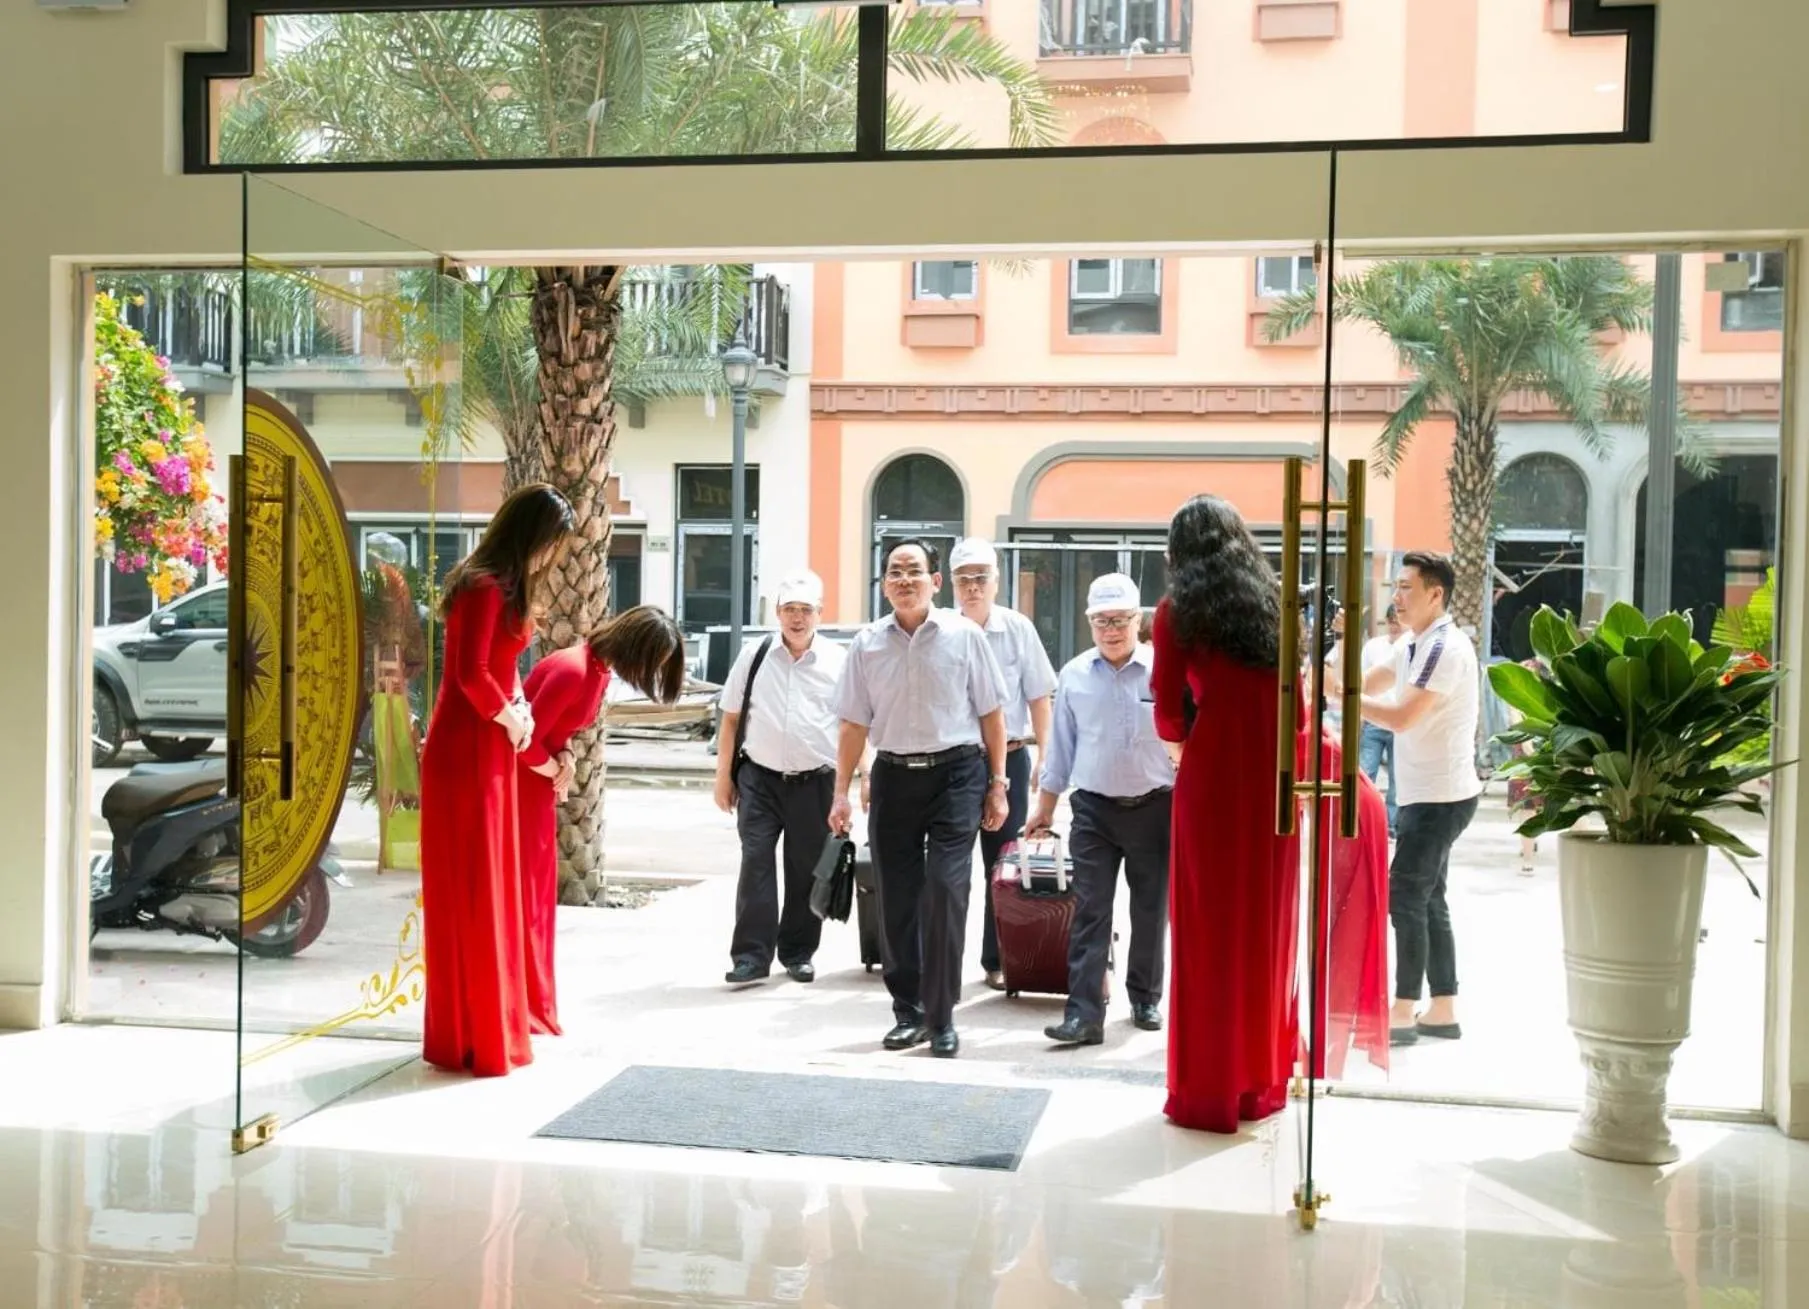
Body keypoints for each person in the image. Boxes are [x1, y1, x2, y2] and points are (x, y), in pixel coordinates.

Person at [1151, 494, 1299, 1133]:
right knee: (1263, 925)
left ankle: (1207, 1088)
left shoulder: (1176, 612)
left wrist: (1189, 749)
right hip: (1276, 774)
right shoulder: (1277, 609)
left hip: (1214, 776)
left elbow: (1165, 707)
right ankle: (1257, 1083)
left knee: (1209, 934)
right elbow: (1300, 697)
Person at [829, 538, 1009, 1059]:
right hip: (893, 777)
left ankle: (942, 1014)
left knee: (946, 890)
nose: (904, 580)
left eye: (915, 571)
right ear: (884, 584)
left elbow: (992, 714)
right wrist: (841, 790)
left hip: (957, 774)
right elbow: (852, 724)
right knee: (898, 897)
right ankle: (907, 1010)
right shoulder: (866, 644)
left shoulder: (964, 636)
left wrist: (998, 782)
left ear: (935, 581)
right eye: (894, 572)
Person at [419, 483, 575, 1077]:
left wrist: (516, 713)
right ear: (530, 535)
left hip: (490, 743)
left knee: (490, 885)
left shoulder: (499, 586)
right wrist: (512, 716)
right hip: (468, 749)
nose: (551, 555)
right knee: (476, 886)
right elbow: (468, 673)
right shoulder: (483, 585)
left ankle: (485, 1027)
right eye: (550, 542)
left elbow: (495, 672)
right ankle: (476, 1033)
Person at [520, 605, 687, 1035]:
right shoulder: (576, 670)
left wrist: (566, 757)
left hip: (538, 789)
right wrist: (556, 767)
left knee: (535, 900)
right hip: (522, 792)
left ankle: (529, 1004)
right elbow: (522, 739)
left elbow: (552, 734)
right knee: (526, 900)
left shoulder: (593, 669)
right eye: (653, 663)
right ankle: (520, 1006)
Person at [1025, 572, 1173, 1046]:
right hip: (1093, 811)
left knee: (1150, 908)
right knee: (1090, 910)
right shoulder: (1073, 676)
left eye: (1121, 620)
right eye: (1102, 621)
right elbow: (1060, 751)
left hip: (1155, 807)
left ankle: (1145, 996)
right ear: (1090, 622)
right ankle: (1084, 1014)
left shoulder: (1162, 671)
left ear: (1138, 620)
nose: (1111, 630)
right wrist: (1044, 808)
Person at [1358, 551, 1483, 1047]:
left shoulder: (1444, 647)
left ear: (1436, 593)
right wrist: (1333, 679)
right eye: (1396, 587)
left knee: (1406, 895)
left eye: (1406, 588)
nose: (1397, 597)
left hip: (1440, 798)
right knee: (1429, 898)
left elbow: (1403, 715)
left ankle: (1404, 1009)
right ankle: (1443, 1007)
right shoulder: (1414, 643)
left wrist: (1343, 698)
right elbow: (1370, 682)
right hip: (1424, 794)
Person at [715, 570, 848, 987]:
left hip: (816, 781)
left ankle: (798, 952)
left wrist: (856, 784)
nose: (797, 618)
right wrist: (723, 778)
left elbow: (853, 725)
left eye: (805, 610)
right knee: (755, 861)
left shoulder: (837, 661)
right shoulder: (754, 655)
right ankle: (751, 957)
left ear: (819, 615)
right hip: (760, 778)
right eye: (789, 609)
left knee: (807, 867)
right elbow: (731, 719)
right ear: (777, 612)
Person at [948, 538, 1056, 992]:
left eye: (981, 578)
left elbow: (1038, 696)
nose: (973, 587)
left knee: (1001, 866)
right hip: (952, 762)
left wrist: (1046, 759)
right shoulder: (940, 629)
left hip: (1009, 758)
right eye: (964, 579)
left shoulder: (1017, 629)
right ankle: (942, 961)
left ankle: (998, 959)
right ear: (951, 584)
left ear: (996, 582)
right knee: (948, 868)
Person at [1357, 605, 1406, 837]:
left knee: (1398, 780)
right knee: (1366, 773)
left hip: (1399, 720)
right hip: (1374, 719)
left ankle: (1391, 826)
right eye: (1391, 620)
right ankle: (1364, 821)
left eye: (1398, 620)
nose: (1395, 624)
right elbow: (1362, 683)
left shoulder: (1410, 646)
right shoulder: (1373, 647)